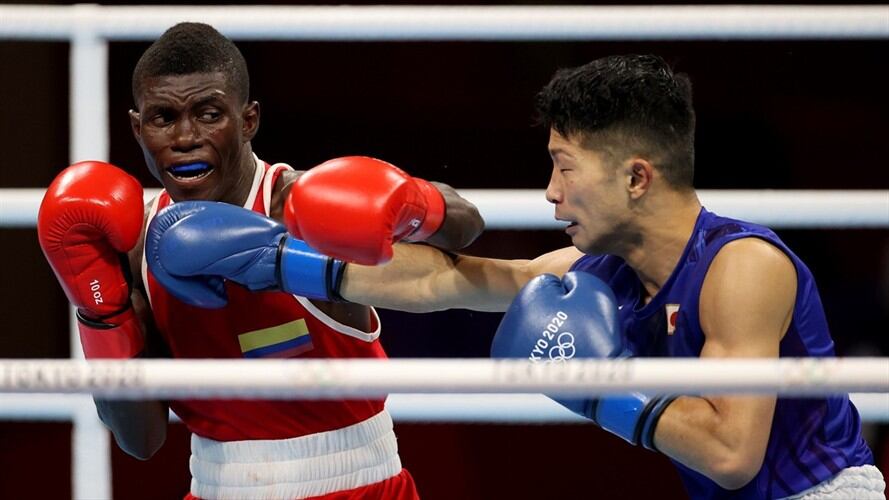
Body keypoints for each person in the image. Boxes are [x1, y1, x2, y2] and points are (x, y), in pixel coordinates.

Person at [146, 54, 885, 499]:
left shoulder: (741, 267)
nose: (549, 194)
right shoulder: (602, 272)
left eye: (564, 168)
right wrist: (276, 260)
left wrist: (599, 385)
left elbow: (731, 456)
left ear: (635, 177)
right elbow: (447, 281)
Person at [37, 22, 485, 500]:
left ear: (248, 120)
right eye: (163, 117)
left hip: (359, 484)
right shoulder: (134, 244)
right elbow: (140, 440)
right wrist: (99, 311)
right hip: (215, 487)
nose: (185, 137)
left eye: (209, 114)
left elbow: (468, 223)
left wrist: (414, 203)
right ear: (137, 127)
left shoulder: (298, 206)